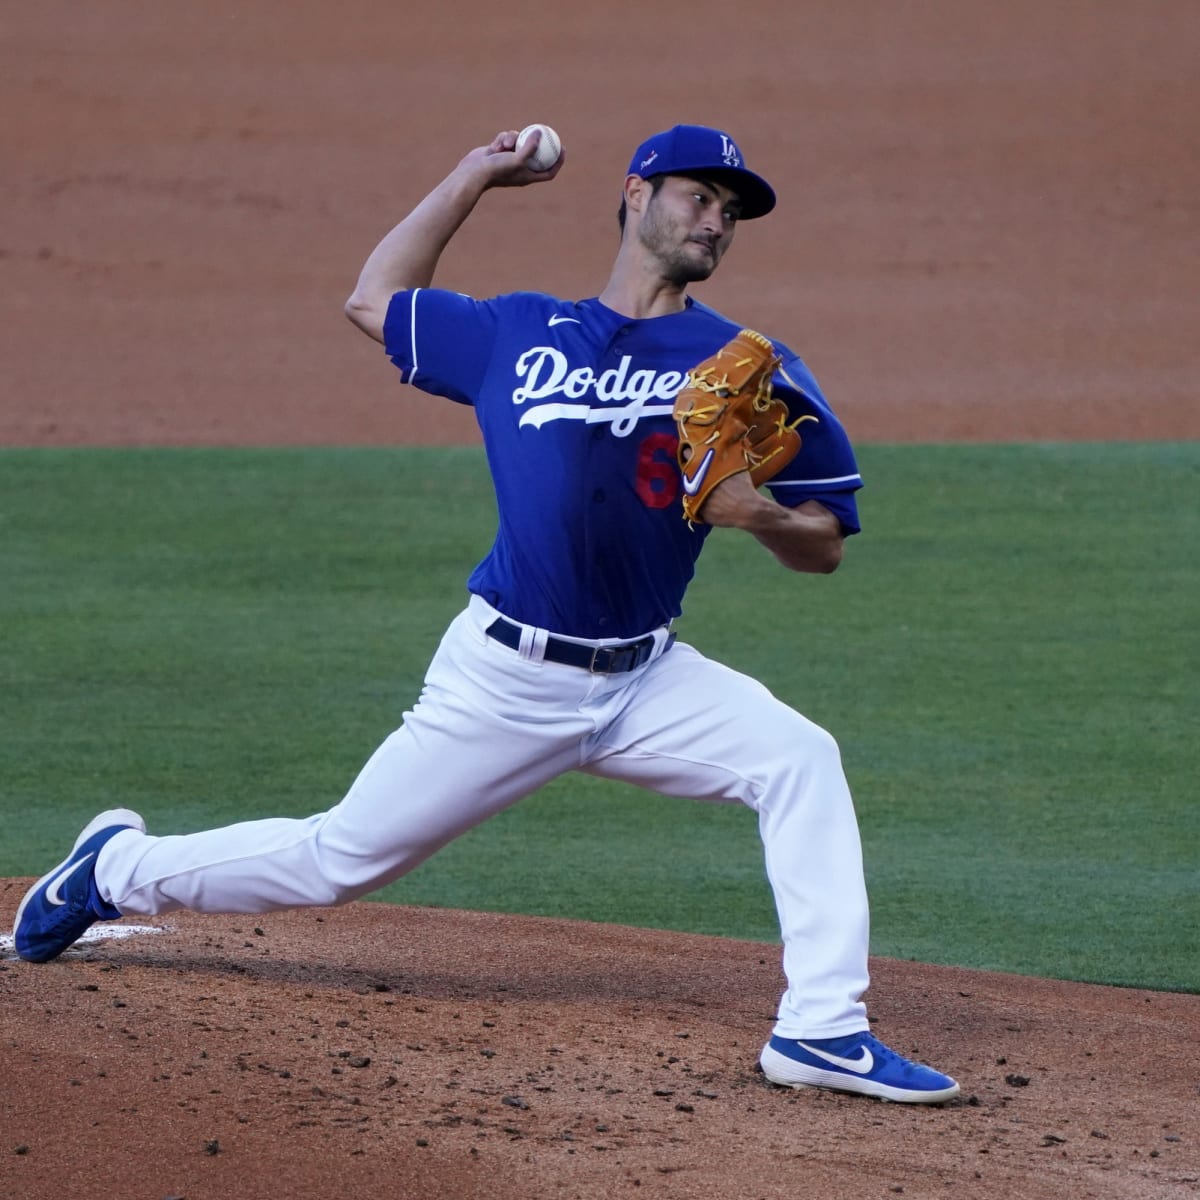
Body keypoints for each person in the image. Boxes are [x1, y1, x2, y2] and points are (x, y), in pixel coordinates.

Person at [13, 123, 959, 1104]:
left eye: (731, 211)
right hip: (505, 681)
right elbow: (372, 298)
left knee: (798, 757)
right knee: (337, 860)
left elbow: (826, 543)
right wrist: (476, 175)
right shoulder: (518, 330)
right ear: (636, 195)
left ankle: (822, 1029)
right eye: (697, 195)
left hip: (646, 681)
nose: (715, 219)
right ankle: (112, 869)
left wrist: (756, 513)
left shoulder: (743, 363)